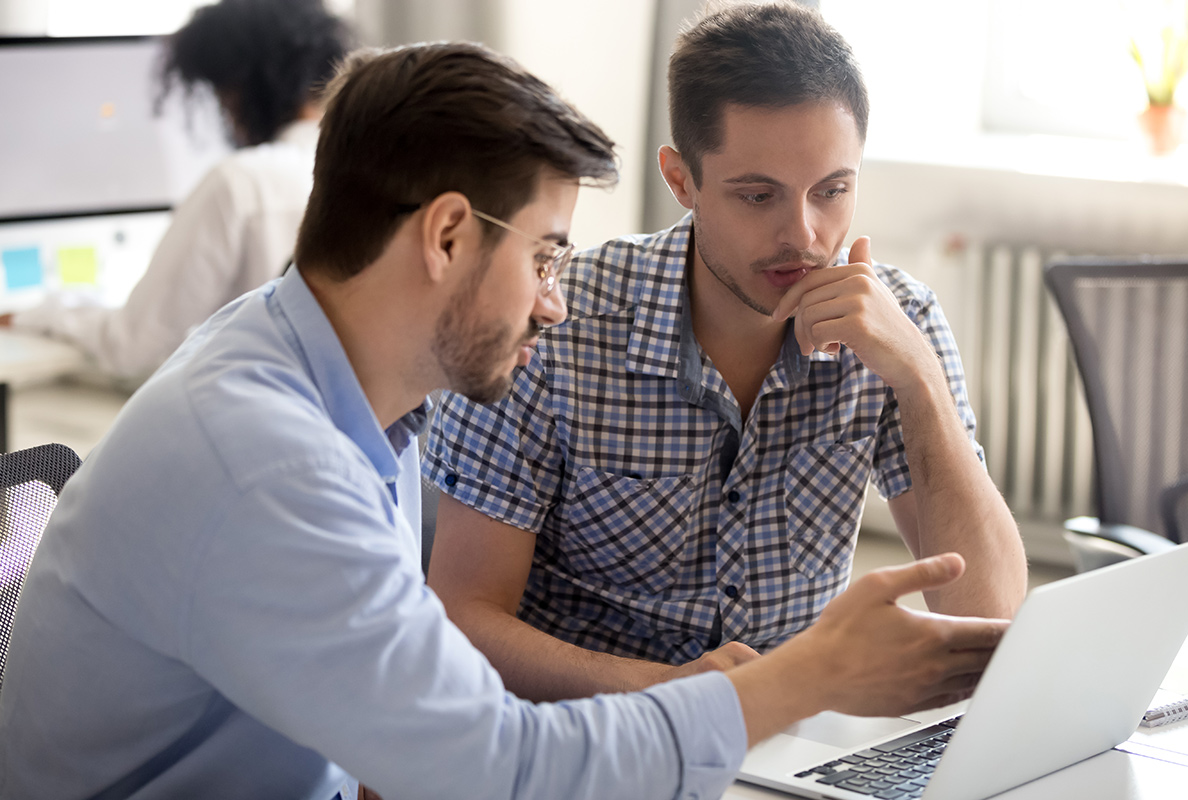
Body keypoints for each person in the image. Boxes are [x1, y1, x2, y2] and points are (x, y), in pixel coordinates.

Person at [0, 40, 1009, 800]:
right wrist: (799, 681)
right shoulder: (268, 459)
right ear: (445, 233)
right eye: (545, 256)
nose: (555, 301)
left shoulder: (330, 388)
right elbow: (489, 762)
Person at [422, 2, 1029, 702]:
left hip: (785, 748)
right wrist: (685, 698)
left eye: (832, 190)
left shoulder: (902, 321)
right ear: (682, 180)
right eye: (758, 195)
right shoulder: (557, 328)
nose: (803, 234)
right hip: (589, 737)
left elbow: (990, 617)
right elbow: (461, 619)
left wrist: (919, 378)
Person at [0, 0, 354, 380]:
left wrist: (40, 313)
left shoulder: (241, 183)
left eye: (219, 97)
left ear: (239, 88)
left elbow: (134, 343)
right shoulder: (362, 161)